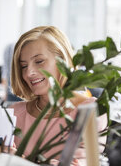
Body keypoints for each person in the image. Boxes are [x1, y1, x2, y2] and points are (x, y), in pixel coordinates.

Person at [10, 26, 106, 165]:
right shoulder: (15, 113)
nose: (29, 72)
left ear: (63, 61)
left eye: (39, 61)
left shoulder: (91, 109)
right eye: (24, 66)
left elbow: (85, 163)